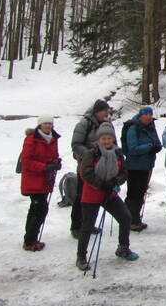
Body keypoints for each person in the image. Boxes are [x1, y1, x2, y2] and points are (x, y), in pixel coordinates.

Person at [76, 122, 137, 270]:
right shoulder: (91, 153)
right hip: (92, 193)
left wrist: (116, 182)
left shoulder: (118, 153)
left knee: (125, 217)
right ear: (98, 140)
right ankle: (81, 257)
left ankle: (123, 247)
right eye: (103, 138)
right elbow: (86, 173)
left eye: (109, 138)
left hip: (110, 193)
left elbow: (124, 172)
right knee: (87, 226)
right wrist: (102, 184)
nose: (106, 141)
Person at [70, 99, 110, 238]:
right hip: (85, 168)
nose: (107, 113)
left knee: (94, 198)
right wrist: (90, 154)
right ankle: (76, 226)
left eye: (107, 110)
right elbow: (76, 145)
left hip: (101, 167)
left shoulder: (105, 124)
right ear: (97, 111)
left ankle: (88, 224)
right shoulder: (84, 124)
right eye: (104, 110)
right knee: (81, 196)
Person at [20, 114, 61, 251]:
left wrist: (56, 163)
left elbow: (53, 156)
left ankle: (30, 239)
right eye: (45, 123)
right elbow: (26, 161)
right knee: (40, 209)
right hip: (33, 179)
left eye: (50, 123)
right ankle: (30, 241)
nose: (48, 126)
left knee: (36, 209)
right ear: (40, 125)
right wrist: (44, 167)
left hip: (45, 179)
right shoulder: (31, 139)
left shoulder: (53, 138)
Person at [124, 105, 161, 232]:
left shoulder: (151, 127)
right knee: (133, 194)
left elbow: (157, 143)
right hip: (134, 166)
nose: (148, 116)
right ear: (140, 115)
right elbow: (132, 149)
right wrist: (150, 146)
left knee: (141, 193)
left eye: (150, 114)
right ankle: (128, 219)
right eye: (146, 114)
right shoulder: (133, 128)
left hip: (147, 165)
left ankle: (135, 219)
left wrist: (156, 147)